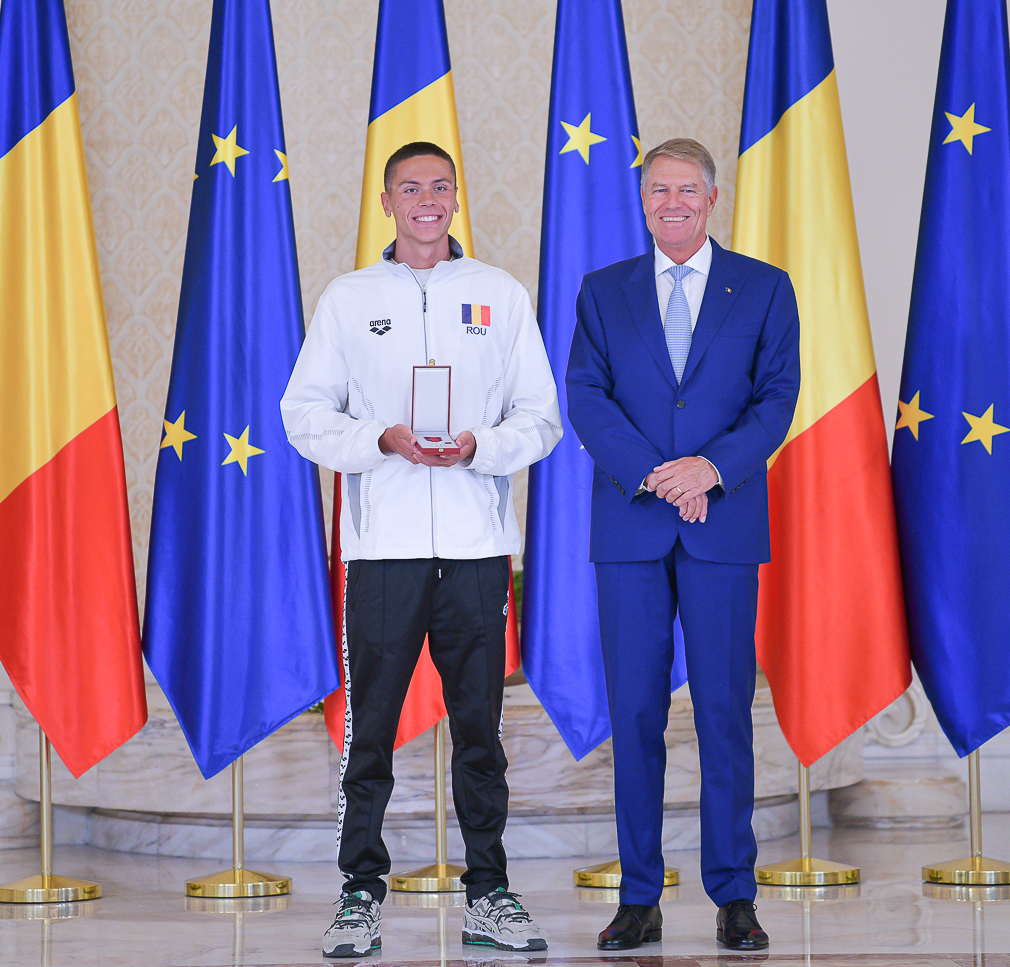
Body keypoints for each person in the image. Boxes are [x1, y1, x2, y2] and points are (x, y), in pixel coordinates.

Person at [281, 141, 561, 958]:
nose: (427, 200)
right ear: (387, 202)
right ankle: (358, 894)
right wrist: (379, 438)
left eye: (440, 186)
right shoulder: (349, 298)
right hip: (383, 551)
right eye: (411, 188)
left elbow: (540, 416)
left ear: (456, 198)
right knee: (369, 729)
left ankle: (490, 892)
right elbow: (304, 413)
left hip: (476, 549)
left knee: (480, 730)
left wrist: (480, 446)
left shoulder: (499, 294)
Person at [565, 138, 800, 952]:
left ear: (711, 198)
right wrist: (658, 475)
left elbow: (777, 397)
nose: (673, 202)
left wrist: (710, 468)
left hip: (721, 524)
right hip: (630, 527)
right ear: (643, 200)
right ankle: (639, 896)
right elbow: (586, 397)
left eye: (687, 189)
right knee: (634, 713)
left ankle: (735, 894)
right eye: (659, 189)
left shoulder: (764, 288)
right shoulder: (603, 292)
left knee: (724, 712)